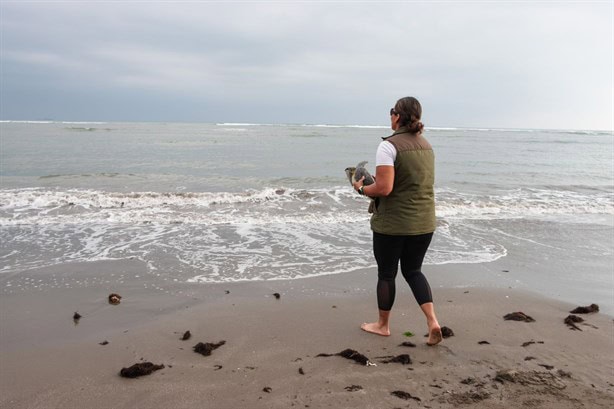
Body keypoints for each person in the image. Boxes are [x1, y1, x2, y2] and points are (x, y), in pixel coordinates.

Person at [352, 96, 442, 346]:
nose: (390, 116)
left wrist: (360, 188)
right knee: (413, 271)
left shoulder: (388, 146)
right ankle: (433, 322)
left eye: (392, 112)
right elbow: (409, 182)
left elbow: (384, 188)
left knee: (387, 274)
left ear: (398, 116)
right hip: (424, 222)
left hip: (393, 225)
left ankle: (382, 326)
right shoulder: (426, 146)